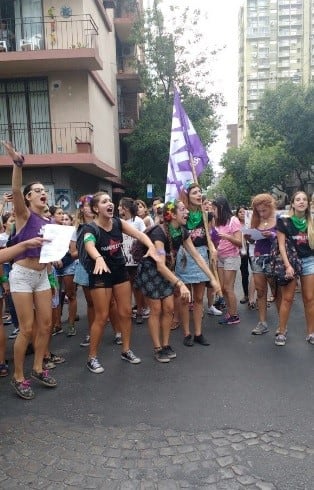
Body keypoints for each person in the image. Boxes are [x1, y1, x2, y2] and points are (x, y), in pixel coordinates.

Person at [1, 141, 57, 400]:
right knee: (26, 328)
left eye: (44, 190)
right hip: (22, 275)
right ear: (28, 198)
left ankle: (37, 368)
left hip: (42, 276)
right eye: (37, 190)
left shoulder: (49, 220)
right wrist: (17, 163)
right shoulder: (23, 215)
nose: (42, 193)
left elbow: (51, 250)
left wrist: (55, 257)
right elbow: (14, 187)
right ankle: (18, 376)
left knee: (45, 325)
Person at [83, 191, 160, 373]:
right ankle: (91, 357)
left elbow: (140, 235)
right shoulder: (90, 229)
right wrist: (98, 258)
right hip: (100, 273)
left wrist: (150, 246)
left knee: (125, 312)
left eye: (110, 201)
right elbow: (89, 244)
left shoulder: (118, 223)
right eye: (104, 202)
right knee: (101, 317)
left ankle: (125, 350)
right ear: (95, 209)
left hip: (119, 271)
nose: (110, 204)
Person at [136, 199, 219, 362]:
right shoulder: (158, 233)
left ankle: (166, 345)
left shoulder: (182, 231)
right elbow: (159, 265)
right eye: (182, 209)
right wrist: (180, 284)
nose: (187, 212)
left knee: (168, 309)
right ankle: (157, 348)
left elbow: (197, 257)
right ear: (172, 215)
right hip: (151, 271)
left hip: (168, 271)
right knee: (156, 310)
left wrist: (213, 279)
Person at [175, 183, 218, 346]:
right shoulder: (182, 214)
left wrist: (213, 248)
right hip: (184, 256)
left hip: (201, 255)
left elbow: (208, 237)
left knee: (199, 298)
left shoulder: (206, 215)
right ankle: (187, 333)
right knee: (186, 298)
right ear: (187, 196)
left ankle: (199, 333)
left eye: (200, 192)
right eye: (195, 192)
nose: (199, 195)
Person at [275, 191, 314, 346]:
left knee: (310, 299)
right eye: (298, 199)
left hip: (309, 261)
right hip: (290, 262)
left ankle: (311, 332)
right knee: (288, 298)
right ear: (292, 203)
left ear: (308, 204)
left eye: (304, 199)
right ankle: (282, 331)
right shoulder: (284, 221)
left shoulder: (311, 221)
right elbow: (281, 246)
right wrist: (287, 265)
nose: (301, 202)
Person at [247, 194, 279, 335]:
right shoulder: (256, 219)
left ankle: (281, 324)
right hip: (258, 257)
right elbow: (253, 241)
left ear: (270, 206)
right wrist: (249, 237)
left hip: (274, 258)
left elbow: (285, 239)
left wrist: (272, 235)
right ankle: (262, 322)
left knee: (276, 292)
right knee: (260, 292)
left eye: (264, 210)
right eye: (258, 211)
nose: (261, 213)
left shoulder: (279, 219)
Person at [212, 196, 242, 325]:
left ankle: (234, 315)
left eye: (214, 208)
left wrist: (227, 237)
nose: (213, 211)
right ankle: (229, 313)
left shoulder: (233, 220)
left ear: (221, 207)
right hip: (220, 256)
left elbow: (239, 242)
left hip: (232, 256)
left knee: (228, 288)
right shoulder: (217, 221)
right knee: (223, 288)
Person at [118, 197, 147, 324]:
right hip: (123, 260)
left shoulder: (138, 221)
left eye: (120, 206)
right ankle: (128, 311)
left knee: (137, 286)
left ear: (125, 208)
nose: (118, 208)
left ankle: (140, 310)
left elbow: (144, 236)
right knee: (125, 287)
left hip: (136, 260)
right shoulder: (118, 222)